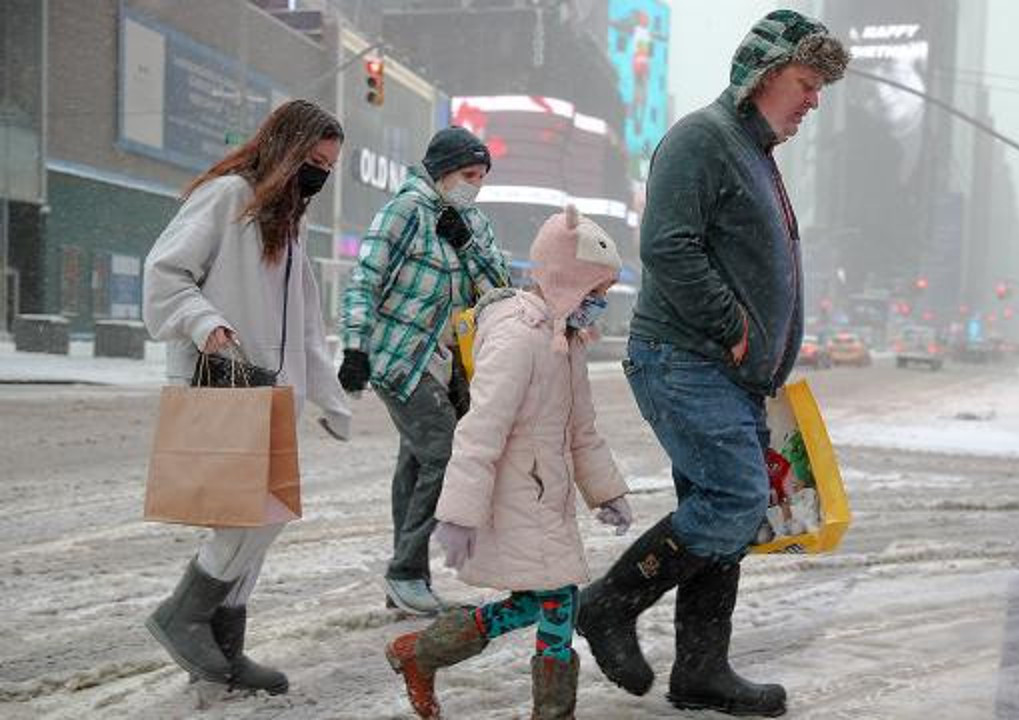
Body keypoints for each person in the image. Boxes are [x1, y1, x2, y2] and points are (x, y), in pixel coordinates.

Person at [574, 10, 848, 718]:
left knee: (720, 509)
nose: (814, 100)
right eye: (806, 82)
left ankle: (701, 669)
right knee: (736, 501)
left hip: (731, 373)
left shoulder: (753, 153)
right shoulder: (704, 138)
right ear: (764, 75)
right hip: (685, 358)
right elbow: (666, 245)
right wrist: (733, 327)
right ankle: (607, 605)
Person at [384, 205, 633, 719]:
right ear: (566, 282)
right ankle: (550, 712)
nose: (599, 305)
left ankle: (419, 653)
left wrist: (607, 492)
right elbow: (479, 431)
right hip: (516, 496)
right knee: (559, 600)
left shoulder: (567, 340)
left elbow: (581, 430)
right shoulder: (517, 338)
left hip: (546, 499)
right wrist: (458, 515)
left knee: (536, 602)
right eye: (595, 293)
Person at [141, 99, 352, 694]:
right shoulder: (228, 197)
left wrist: (329, 396)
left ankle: (223, 647)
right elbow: (164, 274)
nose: (319, 175)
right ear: (284, 148)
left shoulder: (288, 220)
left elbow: (305, 321)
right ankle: (185, 615)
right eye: (313, 160)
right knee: (258, 515)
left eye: (329, 167)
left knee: (262, 516)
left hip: (269, 392)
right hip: (224, 381)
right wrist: (203, 319)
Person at [338, 126, 510, 615]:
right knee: (446, 452)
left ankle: (405, 581)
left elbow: (499, 289)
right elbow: (365, 280)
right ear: (440, 172)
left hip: (447, 365)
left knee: (415, 463)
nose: (474, 184)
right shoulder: (404, 212)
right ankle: (406, 571)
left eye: (481, 176)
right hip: (400, 358)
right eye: (467, 174)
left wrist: (468, 245)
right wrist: (354, 348)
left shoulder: (473, 221)